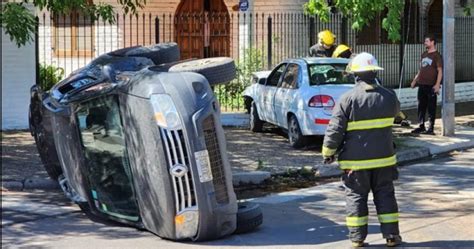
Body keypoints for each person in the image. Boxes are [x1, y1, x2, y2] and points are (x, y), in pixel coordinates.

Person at [322, 52, 402, 248]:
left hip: (355, 164)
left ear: (355, 74)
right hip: (384, 160)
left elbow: (335, 130)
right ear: (375, 72)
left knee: (356, 197)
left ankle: (357, 239)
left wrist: (328, 152)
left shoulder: (347, 99)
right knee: (386, 195)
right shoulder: (389, 95)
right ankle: (391, 236)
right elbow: (398, 115)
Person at [410, 34, 443, 135]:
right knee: (421, 106)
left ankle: (430, 128)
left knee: (431, 107)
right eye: (425, 41)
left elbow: (440, 71)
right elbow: (421, 69)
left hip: (431, 85)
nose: (425, 43)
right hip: (422, 84)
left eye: (427, 41)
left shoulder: (437, 56)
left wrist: (437, 85)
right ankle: (421, 126)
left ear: (432, 42)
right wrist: (415, 80)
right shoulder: (424, 54)